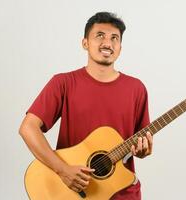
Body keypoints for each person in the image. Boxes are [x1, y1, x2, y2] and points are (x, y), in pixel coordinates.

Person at [19, 11, 153, 200]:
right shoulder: (63, 83)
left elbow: (141, 146)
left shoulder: (136, 88)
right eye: (100, 36)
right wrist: (62, 170)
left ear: (120, 48)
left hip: (122, 193)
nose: (107, 43)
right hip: (72, 192)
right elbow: (28, 128)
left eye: (114, 38)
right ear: (85, 43)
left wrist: (143, 151)